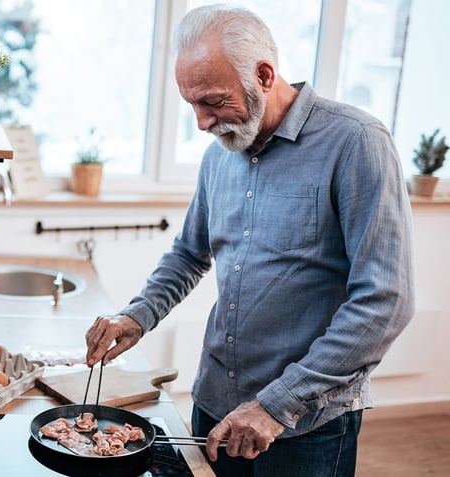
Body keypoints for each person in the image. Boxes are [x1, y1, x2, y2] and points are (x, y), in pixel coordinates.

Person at [84, 4, 414, 476]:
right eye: (192, 105)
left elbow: (385, 300)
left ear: (263, 74)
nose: (201, 122)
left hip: (306, 424)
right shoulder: (220, 154)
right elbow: (188, 253)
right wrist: (137, 315)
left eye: (213, 102)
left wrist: (276, 405)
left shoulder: (357, 141)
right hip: (216, 404)